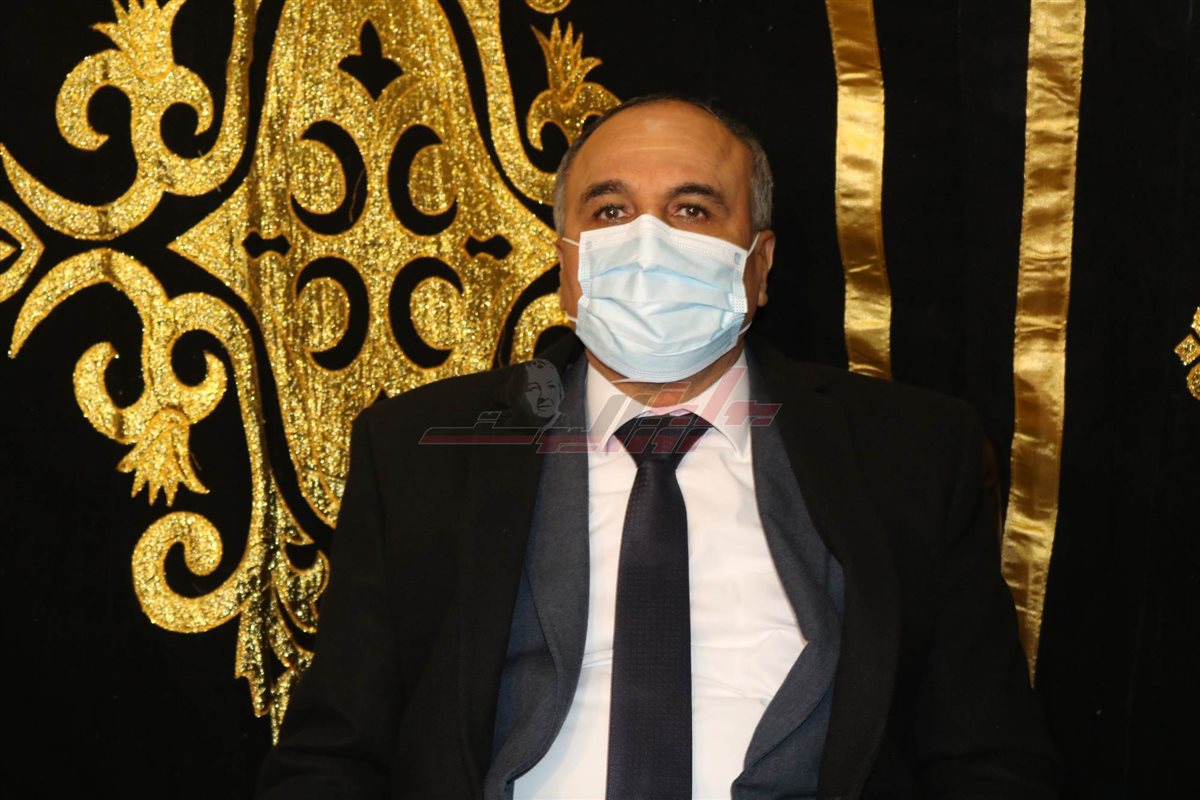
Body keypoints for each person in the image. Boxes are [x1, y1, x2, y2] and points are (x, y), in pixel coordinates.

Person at [257, 95, 1059, 799]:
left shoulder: (912, 452)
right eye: (610, 211)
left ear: (760, 266)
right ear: (567, 266)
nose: (647, 244)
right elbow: (335, 757)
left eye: (692, 210)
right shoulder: (420, 451)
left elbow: (987, 760)